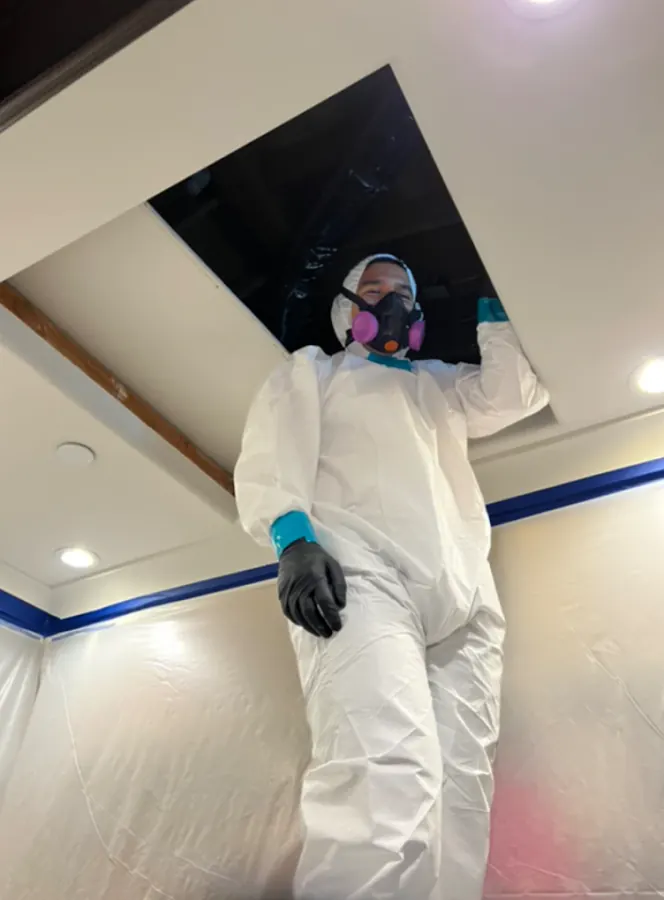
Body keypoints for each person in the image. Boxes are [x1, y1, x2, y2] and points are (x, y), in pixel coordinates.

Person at [235, 254, 549, 900]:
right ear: (347, 311)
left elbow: (514, 390)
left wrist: (494, 291)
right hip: (360, 575)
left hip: (462, 596)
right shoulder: (317, 373)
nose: (392, 303)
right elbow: (272, 444)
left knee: (460, 800)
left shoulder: (437, 387)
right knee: (384, 778)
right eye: (375, 291)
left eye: (403, 293)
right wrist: (291, 538)